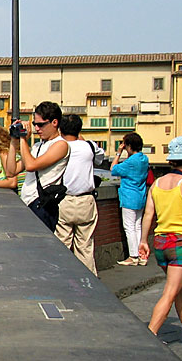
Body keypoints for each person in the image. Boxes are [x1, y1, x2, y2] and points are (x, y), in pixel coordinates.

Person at [138, 136, 182, 346]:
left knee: (179, 291)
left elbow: (148, 215)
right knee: (170, 293)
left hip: (160, 243)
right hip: (181, 243)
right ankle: (150, 337)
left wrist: (143, 241)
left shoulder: (156, 184)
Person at [6, 101, 70, 232]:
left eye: (41, 125)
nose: (37, 129)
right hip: (28, 203)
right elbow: (11, 171)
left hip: (43, 206)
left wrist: (23, 138)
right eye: (35, 124)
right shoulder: (37, 146)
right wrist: (13, 141)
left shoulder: (61, 145)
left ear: (54, 122)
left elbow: (31, 165)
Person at [54, 114, 104, 275]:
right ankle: (89, 281)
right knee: (85, 247)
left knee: (62, 244)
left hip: (64, 201)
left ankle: (62, 279)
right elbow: (100, 159)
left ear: (60, 129)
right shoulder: (89, 147)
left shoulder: (58, 148)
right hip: (86, 201)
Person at [111, 132, 149, 266]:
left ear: (129, 145)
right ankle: (141, 255)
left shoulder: (131, 161)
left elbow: (113, 169)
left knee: (129, 227)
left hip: (129, 197)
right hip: (140, 196)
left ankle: (133, 256)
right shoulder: (144, 159)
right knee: (137, 226)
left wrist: (118, 153)